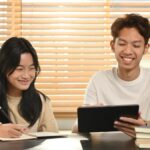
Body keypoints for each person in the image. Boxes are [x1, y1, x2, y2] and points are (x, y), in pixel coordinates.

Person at [72, 13, 150, 138]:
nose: (128, 51)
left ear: (146, 48)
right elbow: (76, 130)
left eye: (136, 45)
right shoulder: (98, 80)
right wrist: (88, 118)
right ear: (113, 45)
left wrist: (144, 127)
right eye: (122, 43)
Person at [0, 37, 58, 138]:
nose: (26, 75)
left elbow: (53, 140)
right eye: (19, 69)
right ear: (4, 68)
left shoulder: (42, 101)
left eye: (31, 68)